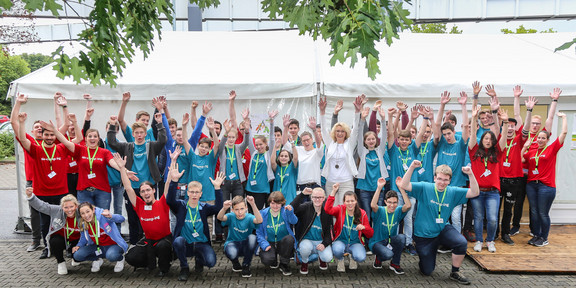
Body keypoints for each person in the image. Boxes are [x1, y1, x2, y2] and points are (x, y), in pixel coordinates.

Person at [399, 160, 479, 285]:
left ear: (450, 181)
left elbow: (475, 192)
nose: (442, 182)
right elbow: (404, 185)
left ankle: (455, 272)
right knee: (427, 271)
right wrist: (412, 167)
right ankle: (426, 254)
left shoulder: (452, 191)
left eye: (446, 180)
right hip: (424, 235)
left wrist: (470, 174)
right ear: (435, 178)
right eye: (440, 179)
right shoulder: (425, 187)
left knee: (461, 242)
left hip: (442, 229)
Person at [15, 108, 79, 259]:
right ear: (42, 136)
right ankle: (47, 247)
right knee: (45, 223)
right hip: (42, 193)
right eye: (47, 134)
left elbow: (77, 140)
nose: (49, 137)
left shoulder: (62, 148)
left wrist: (64, 127)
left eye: (51, 134)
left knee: (66, 221)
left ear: (55, 136)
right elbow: (23, 139)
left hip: (61, 193)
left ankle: (69, 247)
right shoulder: (36, 150)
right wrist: (22, 122)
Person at [107, 113, 167, 245]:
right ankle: (134, 244)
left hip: (148, 189)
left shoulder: (151, 146)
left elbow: (163, 141)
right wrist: (112, 125)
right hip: (131, 189)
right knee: (133, 217)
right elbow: (112, 142)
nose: (139, 135)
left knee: (147, 217)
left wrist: (160, 124)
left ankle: (148, 242)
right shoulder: (127, 147)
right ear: (133, 134)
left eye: (141, 132)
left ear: (145, 134)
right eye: (136, 133)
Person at [116, 152, 174, 277]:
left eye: (148, 190)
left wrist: (173, 160)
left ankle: (165, 266)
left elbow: (168, 184)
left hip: (164, 240)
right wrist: (122, 168)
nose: (146, 193)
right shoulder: (139, 205)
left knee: (163, 246)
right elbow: (128, 187)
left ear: (153, 190)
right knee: (131, 257)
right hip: (149, 241)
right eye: (143, 191)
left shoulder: (162, 202)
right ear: (140, 194)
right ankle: (149, 261)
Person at [168, 162, 225, 281]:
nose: (194, 195)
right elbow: (170, 201)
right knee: (177, 241)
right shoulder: (181, 206)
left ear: (201, 194)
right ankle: (184, 267)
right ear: (188, 193)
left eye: (197, 192)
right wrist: (173, 182)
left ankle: (199, 260)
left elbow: (218, 208)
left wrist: (217, 188)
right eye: (192, 192)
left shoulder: (204, 207)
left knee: (211, 262)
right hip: (186, 243)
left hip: (201, 243)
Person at [522, 112, 567, 247]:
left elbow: (564, 133)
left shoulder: (552, 149)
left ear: (547, 140)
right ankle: (536, 235)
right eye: (539, 138)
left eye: (543, 138)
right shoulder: (532, 152)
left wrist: (564, 118)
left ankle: (544, 237)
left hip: (546, 187)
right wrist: (525, 146)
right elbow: (521, 160)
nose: (540, 140)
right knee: (534, 212)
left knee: (542, 213)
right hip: (531, 185)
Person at [469, 105, 508, 253]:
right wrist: (473, 118)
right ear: (482, 140)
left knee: (492, 219)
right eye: (485, 138)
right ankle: (479, 240)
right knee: (478, 218)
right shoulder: (474, 151)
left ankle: (490, 240)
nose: (488, 140)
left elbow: (503, 138)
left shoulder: (497, 153)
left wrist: (504, 123)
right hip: (477, 192)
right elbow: (472, 134)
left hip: (492, 192)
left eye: (490, 138)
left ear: (492, 141)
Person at [498, 95, 536, 245]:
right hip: (498, 179)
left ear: (515, 128)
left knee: (508, 210)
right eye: (508, 125)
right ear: (504, 127)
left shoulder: (519, 140)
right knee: (495, 210)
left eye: (513, 126)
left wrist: (529, 110)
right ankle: (494, 233)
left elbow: (526, 127)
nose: (510, 128)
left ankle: (505, 234)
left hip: (514, 181)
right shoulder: (499, 140)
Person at [26, 187, 81, 275]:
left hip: (77, 241)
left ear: (76, 206)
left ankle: (76, 258)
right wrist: (30, 196)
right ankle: (61, 263)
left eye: (71, 206)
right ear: (62, 207)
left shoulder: (81, 212)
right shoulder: (56, 210)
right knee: (55, 241)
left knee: (80, 255)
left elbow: (93, 211)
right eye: (66, 207)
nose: (69, 210)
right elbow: (42, 206)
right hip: (61, 239)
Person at [319, 96, 362, 205]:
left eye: (342, 131)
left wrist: (357, 112)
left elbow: (356, 128)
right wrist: (322, 112)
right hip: (330, 182)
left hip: (346, 182)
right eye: (337, 131)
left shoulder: (350, 144)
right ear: (334, 132)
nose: (340, 133)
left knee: (346, 208)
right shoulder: (330, 144)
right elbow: (323, 130)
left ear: (346, 132)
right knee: (332, 210)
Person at [325, 183, 373, 272]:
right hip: (340, 241)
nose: (350, 203)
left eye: (352, 201)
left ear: (356, 201)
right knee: (337, 250)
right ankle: (340, 259)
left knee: (361, 257)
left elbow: (370, 234)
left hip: (355, 243)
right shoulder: (340, 209)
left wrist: (364, 228)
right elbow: (327, 209)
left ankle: (352, 257)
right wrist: (333, 191)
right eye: (347, 201)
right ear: (344, 202)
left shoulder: (362, 213)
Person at [370, 177, 411, 274]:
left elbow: (408, 205)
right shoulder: (380, 210)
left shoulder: (398, 211)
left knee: (401, 237)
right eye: (389, 202)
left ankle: (395, 264)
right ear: (385, 202)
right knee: (388, 254)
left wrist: (401, 188)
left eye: (395, 202)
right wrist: (379, 188)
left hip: (389, 240)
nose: (392, 205)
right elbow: (373, 205)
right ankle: (378, 258)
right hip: (377, 242)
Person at [72, 202, 128, 273]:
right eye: (82, 213)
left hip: (113, 245)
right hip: (98, 247)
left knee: (111, 256)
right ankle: (97, 259)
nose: (86, 215)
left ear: (93, 210)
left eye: (88, 211)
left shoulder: (103, 216)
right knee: (77, 255)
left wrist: (111, 216)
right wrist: (78, 246)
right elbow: (83, 238)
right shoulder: (83, 224)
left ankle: (120, 259)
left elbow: (121, 219)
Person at [217, 195, 263, 278]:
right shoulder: (231, 216)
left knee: (253, 238)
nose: (240, 212)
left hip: (245, 245)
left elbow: (259, 220)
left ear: (246, 208)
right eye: (236, 209)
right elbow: (220, 217)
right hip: (233, 243)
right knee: (232, 252)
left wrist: (253, 204)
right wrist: (224, 208)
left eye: (242, 209)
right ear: (232, 210)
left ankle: (246, 265)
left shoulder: (249, 217)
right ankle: (235, 263)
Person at [291, 187, 333, 274]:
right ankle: (305, 262)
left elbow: (329, 233)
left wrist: (324, 244)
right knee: (305, 249)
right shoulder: (306, 207)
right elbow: (292, 208)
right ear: (311, 197)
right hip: (307, 240)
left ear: (324, 198)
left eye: (320, 197)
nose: (317, 199)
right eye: (315, 197)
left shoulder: (327, 211)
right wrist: (302, 194)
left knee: (328, 257)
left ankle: (321, 258)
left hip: (320, 241)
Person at [256, 192, 298, 276]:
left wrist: (291, 212)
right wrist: (264, 245)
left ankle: (284, 263)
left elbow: (294, 221)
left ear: (282, 203)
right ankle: (273, 258)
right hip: (269, 242)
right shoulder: (262, 213)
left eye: (278, 203)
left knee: (290, 239)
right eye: (273, 203)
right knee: (267, 260)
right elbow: (259, 233)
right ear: (269, 203)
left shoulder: (285, 211)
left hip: (282, 242)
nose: (275, 206)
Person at [245, 109, 278, 210]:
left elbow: (272, 138)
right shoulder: (254, 153)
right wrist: (246, 120)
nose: (259, 147)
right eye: (257, 145)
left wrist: (271, 122)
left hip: (262, 190)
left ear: (265, 144)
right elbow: (250, 138)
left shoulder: (268, 154)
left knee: (259, 213)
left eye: (261, 144)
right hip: (250, 188)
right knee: (250, 214)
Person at [271, 138, 298, 205]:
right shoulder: (277, 168)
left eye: (286, 156)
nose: (283, 158)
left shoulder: (292, 168)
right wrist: (275, 147)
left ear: (289, 159)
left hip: (289, 199)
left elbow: (295, 158)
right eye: (282, 156)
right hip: (276, 199)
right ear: (279, 158)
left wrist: (292, 143)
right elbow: (272, 162)